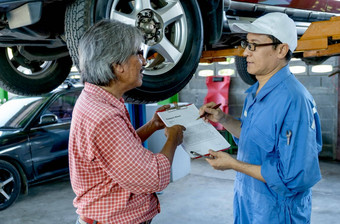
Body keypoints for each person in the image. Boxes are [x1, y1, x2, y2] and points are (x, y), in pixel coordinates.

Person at [199, 12, 322, 223]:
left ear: (281, 50)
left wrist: (234, 164)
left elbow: (292, 177)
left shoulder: (294, 100)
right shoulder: (255, 93)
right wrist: (222, 118)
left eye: (254, 45)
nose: (246, 52)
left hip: (277, 212)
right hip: (249, 203)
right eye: (246, 44)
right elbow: (252, 137)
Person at [68, 19, 185, 224]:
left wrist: (152, 126)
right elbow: (154, 178)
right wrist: (173, 138)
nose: (145, 61)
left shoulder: (95, 99)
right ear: (118, 65)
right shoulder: (104, 117)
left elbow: (117, 154)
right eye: (138, 53)